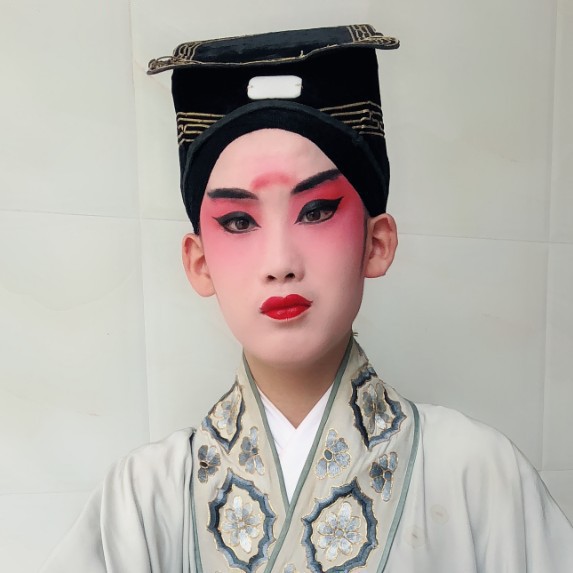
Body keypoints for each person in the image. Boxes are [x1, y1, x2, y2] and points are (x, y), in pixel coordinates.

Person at [41, 24, 573, 572]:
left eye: (316, 211)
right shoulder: (142, 500)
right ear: (199, 263)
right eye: (239, 221)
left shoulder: (477, 476)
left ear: (376, 243)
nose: (280, 262)